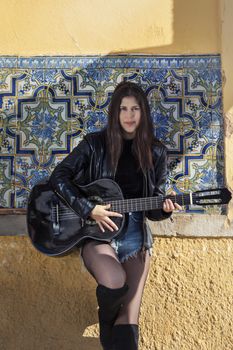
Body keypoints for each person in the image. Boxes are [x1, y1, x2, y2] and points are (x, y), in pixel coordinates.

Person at [50, 81, 182, 350]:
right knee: (114, 281)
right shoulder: (94, 144)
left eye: (135, 109)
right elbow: (58, 177)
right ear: (115, 112)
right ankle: (105, 317)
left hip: (135, 239)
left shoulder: (156, 152)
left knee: (128, 320)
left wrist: (165, 208)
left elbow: (154, 207)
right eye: (123, 108)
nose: (129, 115)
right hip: (98, 235)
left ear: (143, 113)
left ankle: (110, 334)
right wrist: (88, 208)